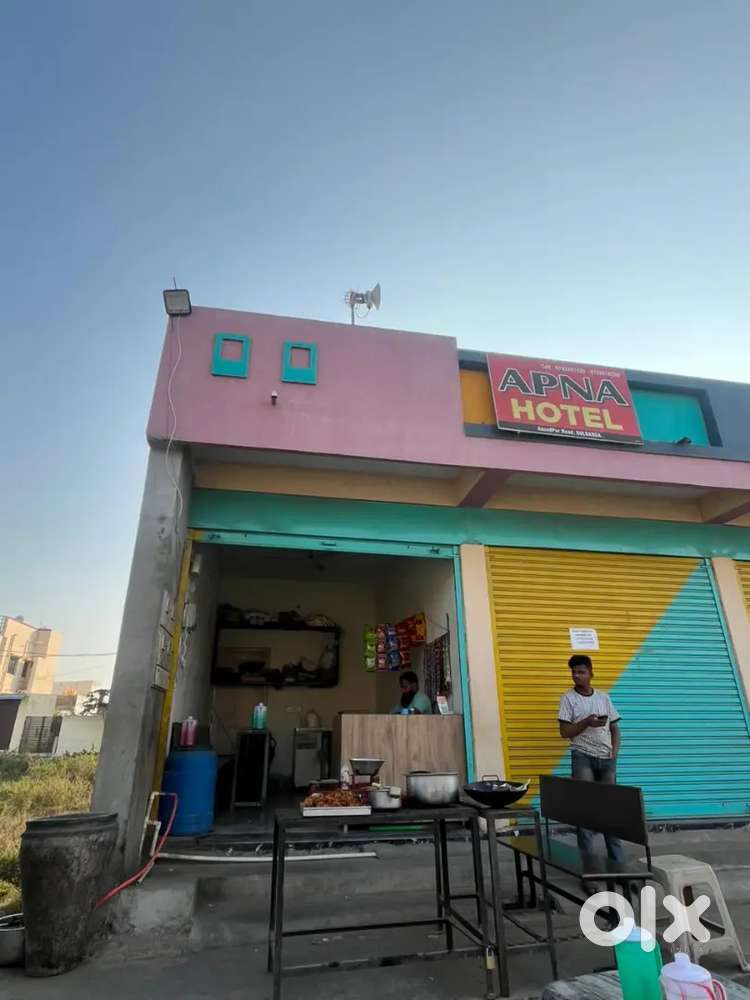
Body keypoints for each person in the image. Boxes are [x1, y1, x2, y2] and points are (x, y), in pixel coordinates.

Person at [558, 654, 623, 862]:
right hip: (582, 757)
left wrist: (614, 752)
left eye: (581, 672)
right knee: (586, 810)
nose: (576, 676)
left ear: (591, 673)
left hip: (606, 759)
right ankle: (588, 866)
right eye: (574, 672)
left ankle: (617, 863)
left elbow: (615, 728)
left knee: (611, 810)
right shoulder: (568, 698)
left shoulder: (603, 697)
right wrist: (586, 722)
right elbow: (565, 732)